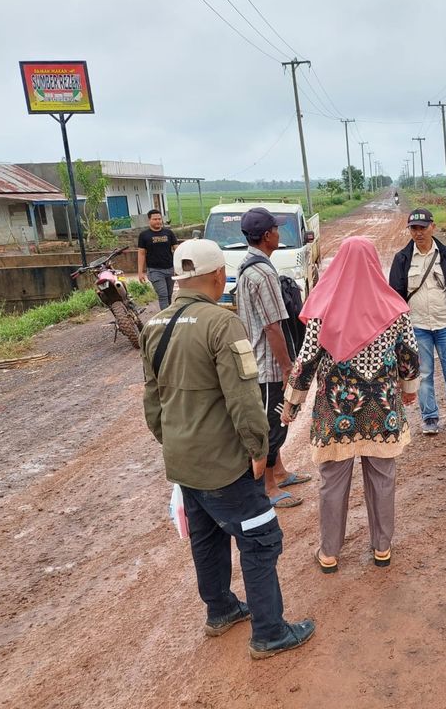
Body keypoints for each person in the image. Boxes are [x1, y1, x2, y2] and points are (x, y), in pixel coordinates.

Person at [140, 239, 315, 660]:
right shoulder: (221, 324)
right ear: (219, 276)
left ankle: (220, 611)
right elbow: (243, 398)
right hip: (224, 464)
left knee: (206, 536)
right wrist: (259, 449)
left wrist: (174, 443)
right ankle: (270, 632)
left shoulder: (154, 325)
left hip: (183, 461)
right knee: (260, 539)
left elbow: (152, 401)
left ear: (180, 279)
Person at [282, 236, 420, 572]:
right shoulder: (394, 309)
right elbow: (410, 356)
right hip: (382, 409)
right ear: (375, 263)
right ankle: (382, 548)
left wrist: (292, 404)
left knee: (332, 483)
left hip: (336, 411)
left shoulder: (323, 308)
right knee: (383, 479)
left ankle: (329, 553)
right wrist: (408, 388)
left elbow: (306, 361)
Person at [235, 207, 312, 510]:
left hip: (254, 356)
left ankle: (278, 471)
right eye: (276, 230)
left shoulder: (246, 265)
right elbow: (272, 325)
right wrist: (287, 366)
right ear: (267, 236)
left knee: (273, 420)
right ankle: (267, 486)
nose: (280, 234)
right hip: (266, 364)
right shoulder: (264, 273)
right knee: (273, 423)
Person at [388, 208, 446, 438]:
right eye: (414, 228)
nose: (418, 233)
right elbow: (395, 295)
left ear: (432, 227)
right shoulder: (402, 259)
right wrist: (399, 328)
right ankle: (430, 418)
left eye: (423, 227)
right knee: (424, 374)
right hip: (417, 327)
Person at [137, 209, 179, 310]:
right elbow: (141, 254)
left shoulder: (169, 233)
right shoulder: (144, 235)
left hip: (170, 269)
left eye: (159, 219)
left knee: (169, 294)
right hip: (155, 270)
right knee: (163, 295)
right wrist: (140, 272)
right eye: (155, 219)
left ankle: (168, 315)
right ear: (149, 220)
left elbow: (177, 250)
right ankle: (166, 319)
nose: (158, 221)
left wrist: (179, 267)